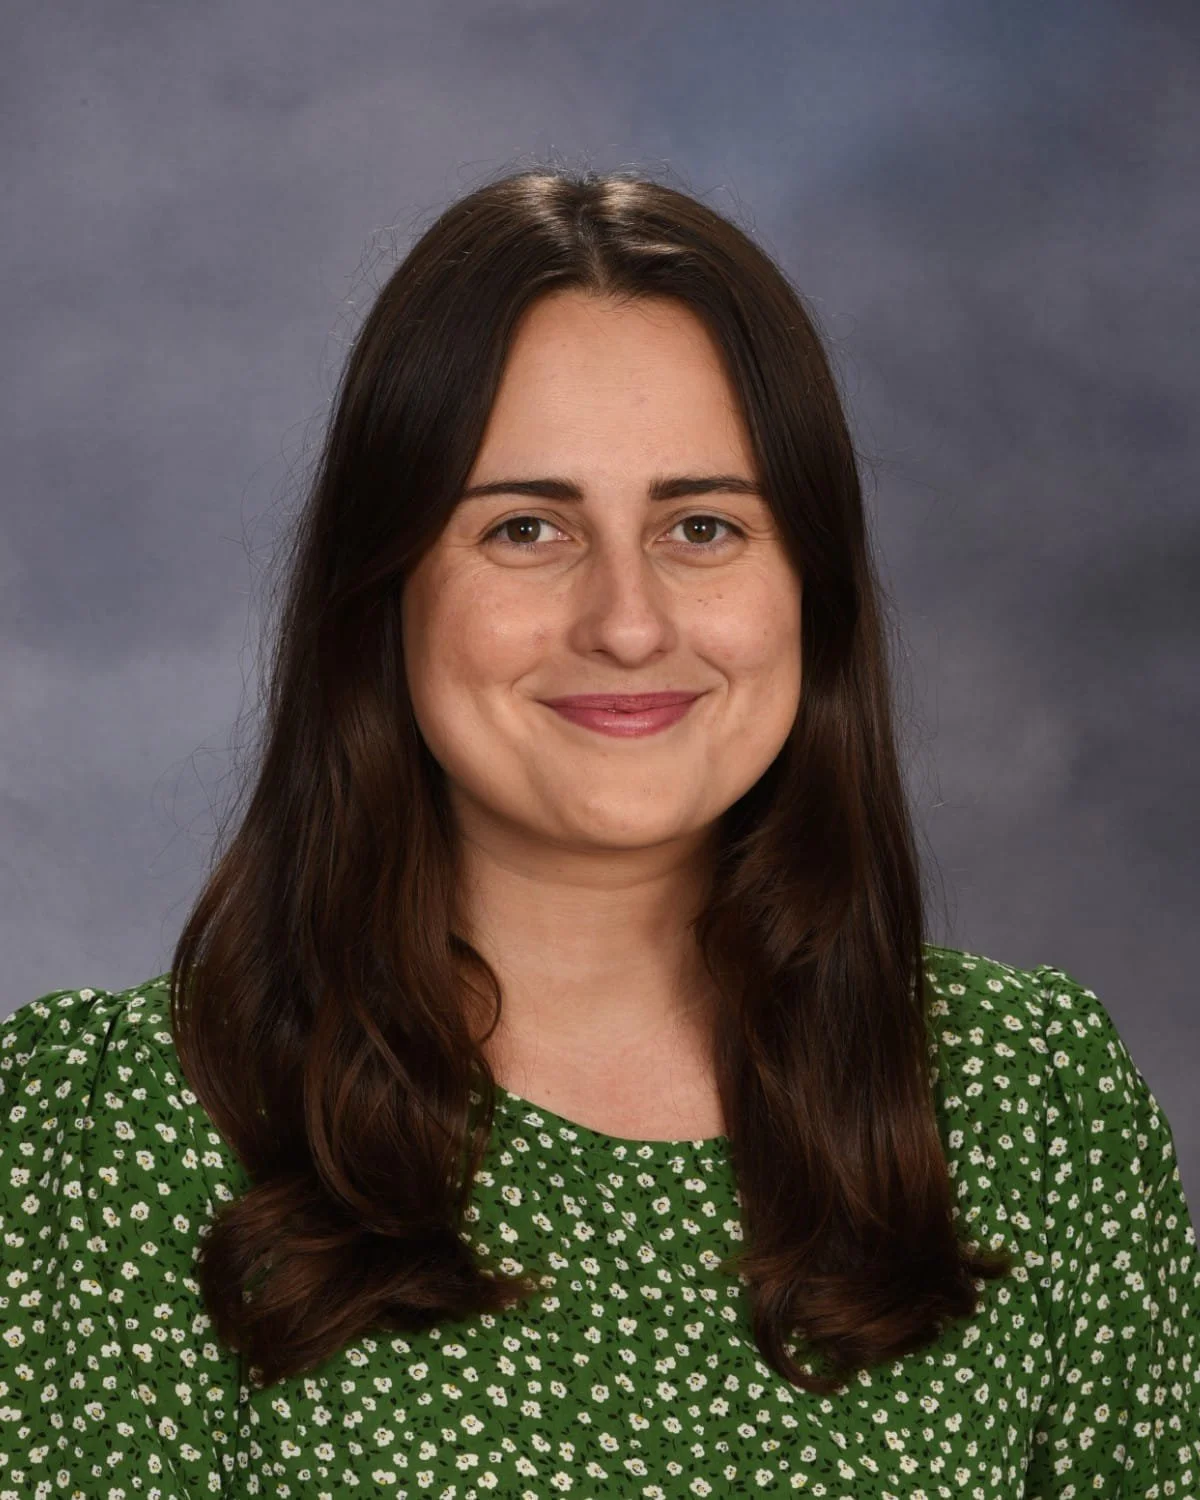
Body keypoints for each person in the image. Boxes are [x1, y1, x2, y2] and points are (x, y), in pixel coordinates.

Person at [2, 166, 1196, 1499]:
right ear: (380, 595)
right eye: (525, 527)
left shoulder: (1033, 1107)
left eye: (702, 526)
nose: (627, 621)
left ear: (811, 589)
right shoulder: (117, 1128)